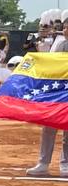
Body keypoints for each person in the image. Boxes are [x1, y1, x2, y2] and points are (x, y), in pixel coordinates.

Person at [27, 25, 68, 177]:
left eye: (67, 28)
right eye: (64, 28)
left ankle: (65, 165)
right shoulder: (60, 44)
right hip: (57, 92)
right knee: (48, 127)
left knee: (67, 131)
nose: (64, 30)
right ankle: (43, 163)